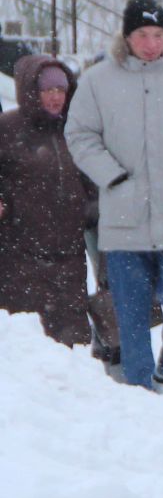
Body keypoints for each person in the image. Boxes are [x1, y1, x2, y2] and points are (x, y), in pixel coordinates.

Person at [64, 0, 163, 391]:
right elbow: (79, 134)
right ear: (127, 37)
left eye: (158, 35)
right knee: (131, 319)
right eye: (143, 35)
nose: (151, 43)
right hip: (123, 219)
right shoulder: (99, 80)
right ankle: (140, 392)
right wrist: (111, 177)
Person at [0, 55, 93, 346]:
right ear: (31, 91)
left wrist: (91, 210)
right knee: (28, 348)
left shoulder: (77, 130)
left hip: (69, 261)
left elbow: (93, 182)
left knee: (72, 350)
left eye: (61, 90)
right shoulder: (8, 128)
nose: (56, 97)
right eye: (48, 90)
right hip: (20, 259)